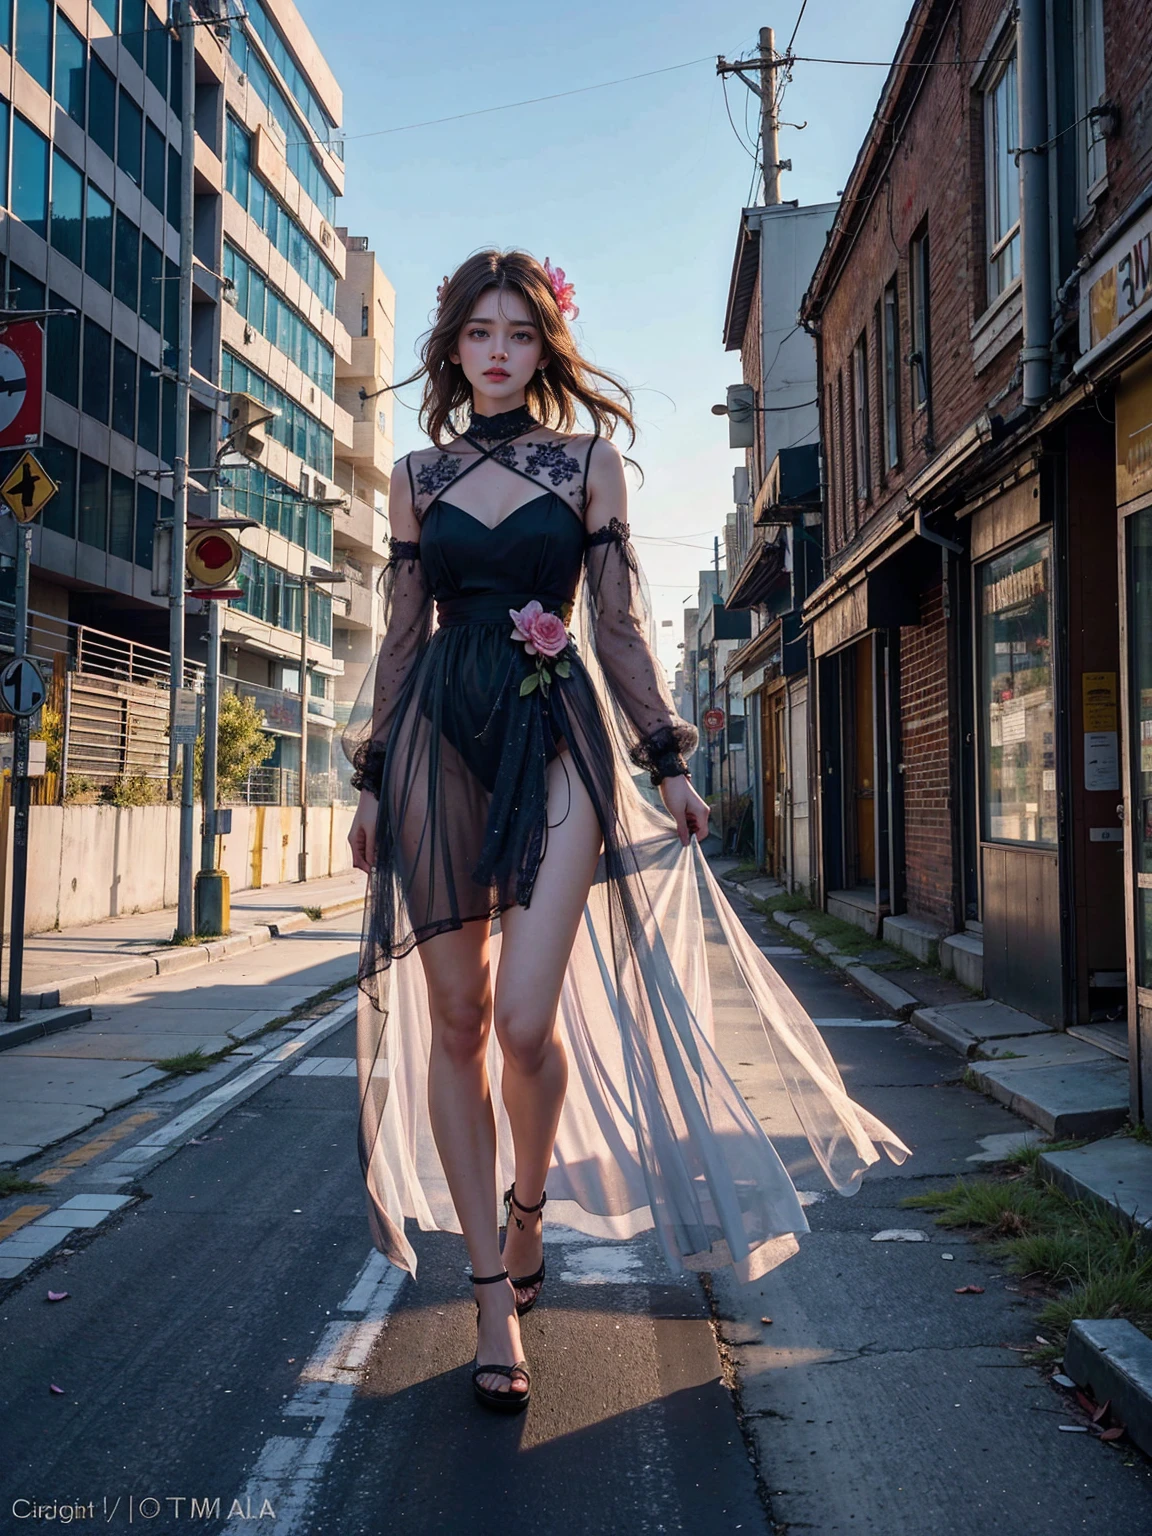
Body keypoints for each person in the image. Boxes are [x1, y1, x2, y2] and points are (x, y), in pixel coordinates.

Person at [344, 249, 910, 1414]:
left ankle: (531, 1198)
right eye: (477, 333)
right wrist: (368, 776)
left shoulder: (591, 465)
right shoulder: (412, 475)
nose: (497, 350)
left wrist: (666, 758)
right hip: (435, 746)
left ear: (544, 347)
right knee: (455, 1018)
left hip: (557, 735)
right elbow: (400, 635)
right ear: (451, 350)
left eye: (517, 332)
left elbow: (621, 624)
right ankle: (493, 1299)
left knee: (522, 1015)